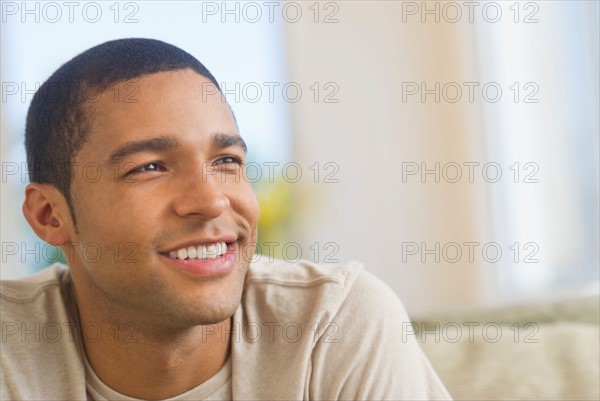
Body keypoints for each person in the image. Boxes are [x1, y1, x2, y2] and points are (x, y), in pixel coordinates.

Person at [0, 38, 451, 400]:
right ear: (49, 216)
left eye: (227, 160)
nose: (211, 201)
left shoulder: (332, 325)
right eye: (149, 167)